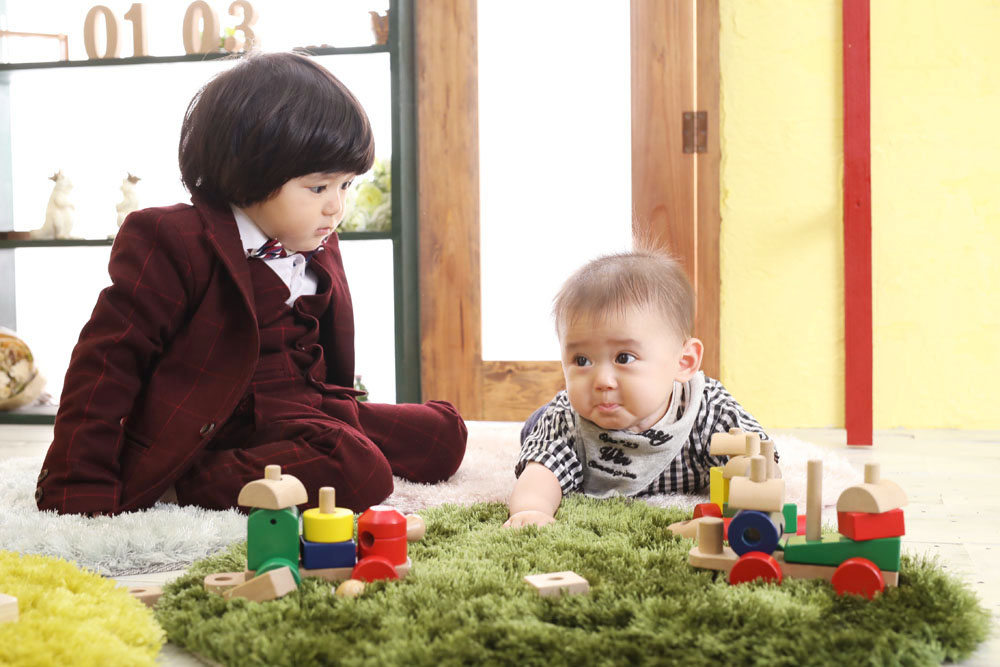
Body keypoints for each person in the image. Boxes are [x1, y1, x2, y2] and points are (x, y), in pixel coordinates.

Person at [36, 52, 467, 516]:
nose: (336, 208)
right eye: (319, 188)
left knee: (444, 435)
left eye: (346, 186)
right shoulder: (174, 239)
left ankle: (316, 448)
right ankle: (181, 483)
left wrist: (339, 415)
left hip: (306, 406)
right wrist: (78, 480)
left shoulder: (315, 239)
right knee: (359, 469)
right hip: (223, 421)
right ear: (249, 172)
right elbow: (108, 360)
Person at [505, 249, 773, 528]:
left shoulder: (707, 409)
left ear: (683, 362)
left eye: (624, 358)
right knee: (537, 429)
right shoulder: (567, 419)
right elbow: (540, 474)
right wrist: (532, 510)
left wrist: (754, 491)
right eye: (582, 361)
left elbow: (759, 456)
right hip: (550, 421)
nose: (602, 380)